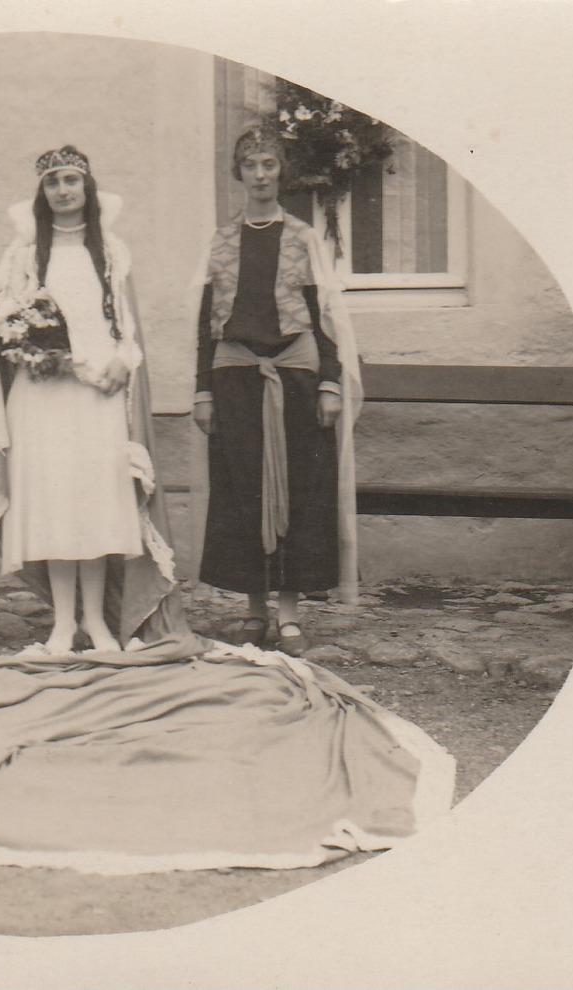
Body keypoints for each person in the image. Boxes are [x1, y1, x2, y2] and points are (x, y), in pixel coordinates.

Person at [0, 146, 169, 656]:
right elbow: (3, 325)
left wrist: (119, 364)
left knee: (93, 508)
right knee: (54, 508)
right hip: (43, 398)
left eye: (72, 181)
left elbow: (127, 331)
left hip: (97, 400)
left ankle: (98, 623)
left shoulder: (109, 251)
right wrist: (39, 354)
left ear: (87, 187)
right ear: (41, 193)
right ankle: (62, 624)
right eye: (53, 183)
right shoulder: (21, 256)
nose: (63, 191)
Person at [190, 122, 363, 655]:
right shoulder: (219, 242)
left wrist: (331, 383)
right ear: (238, 174)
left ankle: (289, 616)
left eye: (269, 165)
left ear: (281, 172)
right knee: (244, 493)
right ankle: (254, 610)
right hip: (237, 378)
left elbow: (324, 319)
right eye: (250, 165)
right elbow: (205, 325)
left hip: (295, 379)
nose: (260, 175)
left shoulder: (303, 239)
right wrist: (202, 392)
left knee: (296, 496)